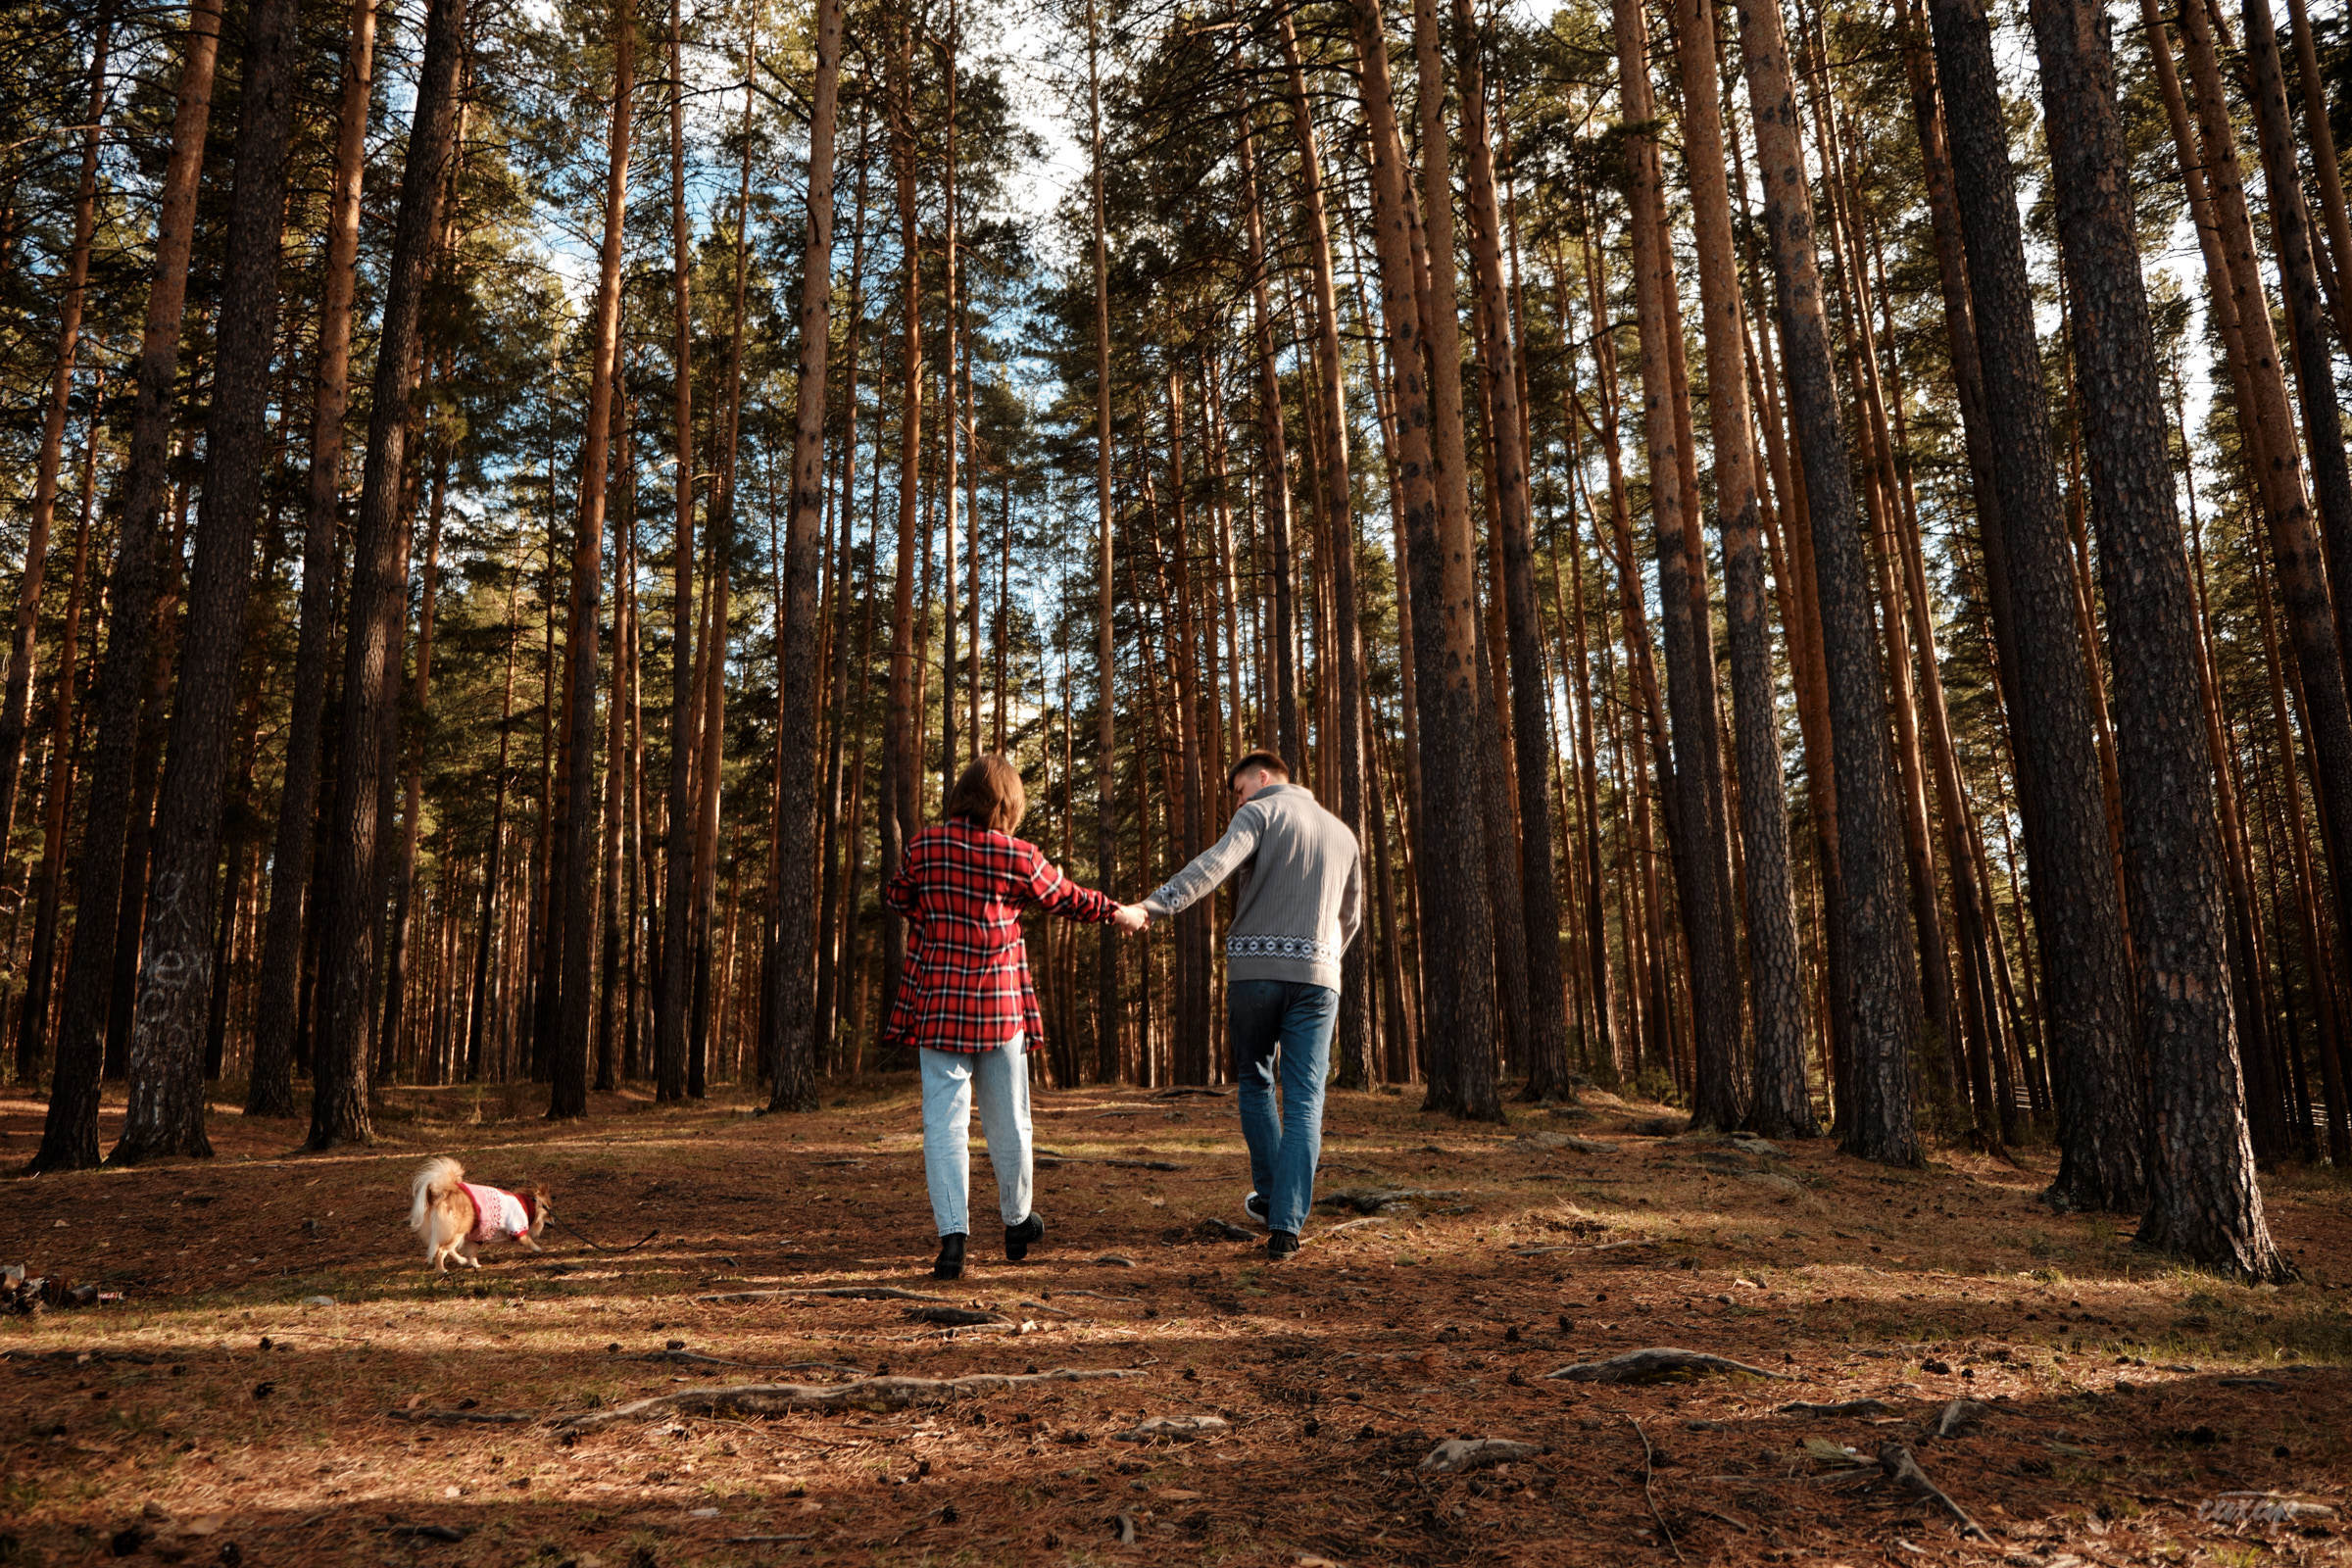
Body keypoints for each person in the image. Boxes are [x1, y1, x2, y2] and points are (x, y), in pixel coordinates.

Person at [885, 754, 1147, 1279]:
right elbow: (1066, 897)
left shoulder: (922, 847)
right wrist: (1118, 911)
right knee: (1011, 1121)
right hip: (1000, 1008)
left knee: (944, 1124)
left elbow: (897, 898)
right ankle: (1016, 1222)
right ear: (1007, 803)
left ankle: (952, 1241)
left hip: (938, 1007)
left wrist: (937, 923)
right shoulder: (1018, 855)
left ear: (961, 796)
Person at [1125, 750, 1360, 1261]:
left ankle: (1274, 1200)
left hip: (1256, 973)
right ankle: (1286, 1225)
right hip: (1320, 981)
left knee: (1255, 1079)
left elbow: (1213, 866)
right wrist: (1321, 962)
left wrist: (1152, 906)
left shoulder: (1259, 811)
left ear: (1262, 777)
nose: (1236, 799)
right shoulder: (1344, 834)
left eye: (1237, 790)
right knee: (1304, 1099)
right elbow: (1351, 917)